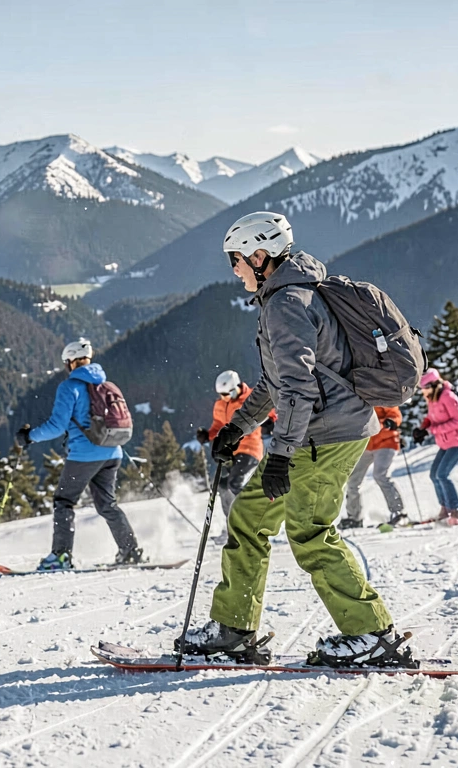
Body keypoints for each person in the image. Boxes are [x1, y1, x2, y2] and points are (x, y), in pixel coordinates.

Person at [179, 211, 408, 669]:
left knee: (309, 531)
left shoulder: (286, 304)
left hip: (327, 435)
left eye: (236, 260)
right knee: (247, 517)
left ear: (260, 256)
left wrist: (280, 454)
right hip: (311, 433)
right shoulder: (288, 296)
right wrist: (237, 427)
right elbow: (276, 382)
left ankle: (372, 635)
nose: (234, 270)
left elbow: (300, 389)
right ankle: (234, 630)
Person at [16, 339, 142, 570]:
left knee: (64, 501)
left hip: (85, 455)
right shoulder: (107, 385)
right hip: (113, 452)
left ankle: (61, 556)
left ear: (71, 362)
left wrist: (29, 436)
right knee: (107, 504)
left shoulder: (70, 387)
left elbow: (57, 425)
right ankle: (130, 551)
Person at [195, 370, 273, 544]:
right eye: (220, 395)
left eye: (226, 394)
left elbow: (269, 409)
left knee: (235, 483)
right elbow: (219, 425)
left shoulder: (251, 398)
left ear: (236, 388)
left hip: (250, 448)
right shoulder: (220, 405)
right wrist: (208, 435)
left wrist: (271, 421)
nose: (223, 398)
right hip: (232, 451)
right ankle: (233, 524)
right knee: (223, 485)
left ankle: (252, 520)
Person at [411, 369, 458, 525]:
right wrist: (422, 429)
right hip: (445, 443)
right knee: (434, 475)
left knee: (442, 474)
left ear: (434, 385)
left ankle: (456, 510)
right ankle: (445, 509)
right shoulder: (433, 398)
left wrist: (434, 430)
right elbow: (431, 417)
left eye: (425, 388)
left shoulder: (448, 397)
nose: (423, 392)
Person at [341, 407, 406, 528]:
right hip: (366, 444)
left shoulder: (379, 393)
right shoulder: (357, 397)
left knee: (380, 475)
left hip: (386, 441)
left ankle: (398, 513)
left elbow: (394, 413)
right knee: (353, 480)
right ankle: (354, 518)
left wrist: (390, 421)